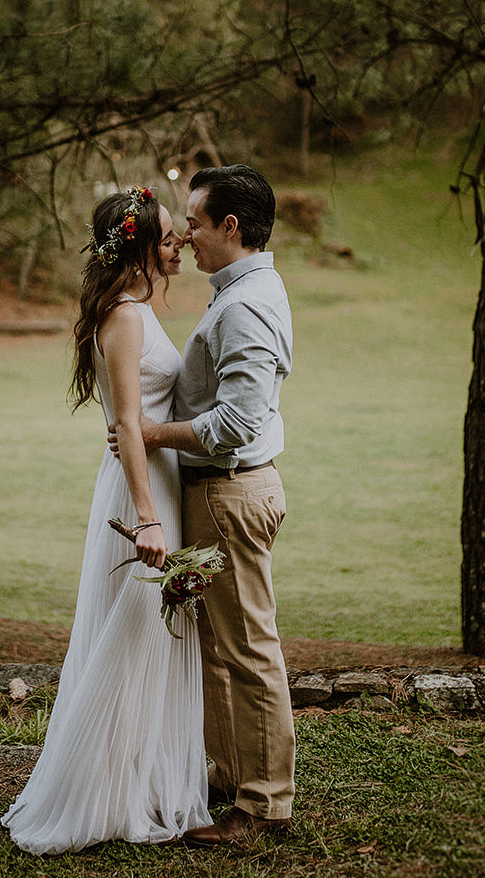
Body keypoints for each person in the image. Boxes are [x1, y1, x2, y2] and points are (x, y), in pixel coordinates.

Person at [0, 185, 211, 854]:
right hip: (138, 496)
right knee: (133, 634)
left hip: (155, 482)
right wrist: (148, 519)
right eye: (168, 237)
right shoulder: (124, 318)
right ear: (141, 248)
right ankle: (104, 795)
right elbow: (126, 421)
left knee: (152, 639)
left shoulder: (137, 311)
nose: (179, 245)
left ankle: (139, 783)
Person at [114, 163, 296, 847]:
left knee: (247, 649)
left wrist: (150, 433)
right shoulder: (242, 291)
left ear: (231, 226)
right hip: (218, 490)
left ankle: (266, 805)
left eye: (193, 223)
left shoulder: (244, 305)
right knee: (216, 647)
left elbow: (237, 422)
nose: (185, 235)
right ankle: (233, 778)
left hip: (229, 490)